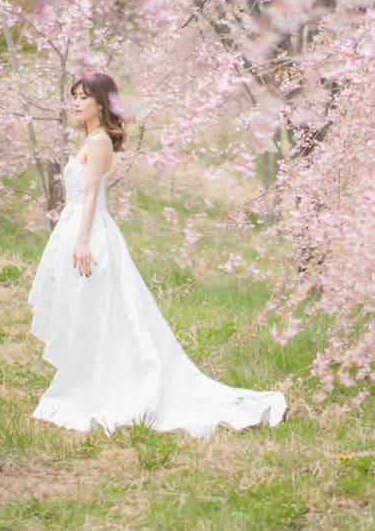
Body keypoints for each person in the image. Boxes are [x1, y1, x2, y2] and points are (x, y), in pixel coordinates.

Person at [29, 72, 286, 436]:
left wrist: (82, 240)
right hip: (78, 224)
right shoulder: (92, 138)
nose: (76, 103)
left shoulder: (99, 141)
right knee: (88, 307)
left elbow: (90, 194)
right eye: (75, 96)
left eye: (84, 97)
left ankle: (106, 383)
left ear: (101, 103)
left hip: (90, 229)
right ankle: (87, 376)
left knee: (100, 307)